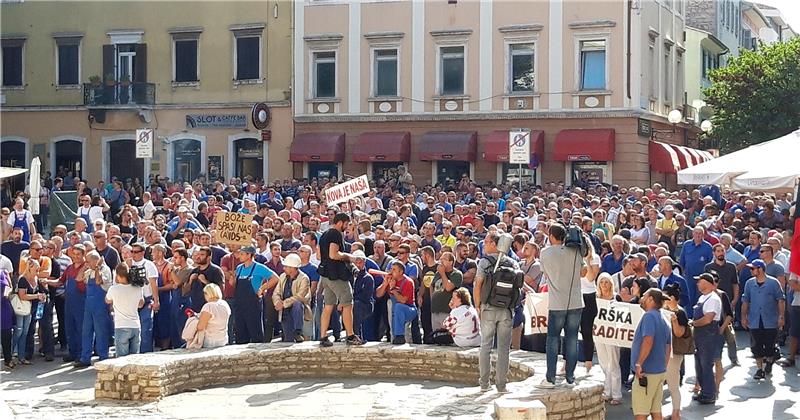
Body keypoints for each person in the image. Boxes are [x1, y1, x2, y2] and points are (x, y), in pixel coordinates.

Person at [538, 223, 584, 388]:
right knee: (572, 339)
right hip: (576, 301)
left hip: (557, 302)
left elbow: (545, 272)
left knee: (552, 339)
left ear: (551, 236)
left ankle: (550, 379)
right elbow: (582, 271)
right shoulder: (577, 252)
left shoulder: (545, 252)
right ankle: (570, 377)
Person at [475, 232, 520, 393]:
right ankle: (501, 385)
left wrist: (478, 305)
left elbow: (478, 285)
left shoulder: (484, 262)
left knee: (485, 346)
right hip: (506, 310)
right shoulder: (513, 263)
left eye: (486, 241)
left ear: (495, 243)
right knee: (503, 349)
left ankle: (484, 384)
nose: (484, 244)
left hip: (488, 308)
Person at [318, 212, 364, 346]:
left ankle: (323, 336)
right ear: (340, 222)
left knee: (328, 306)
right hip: (337, 275)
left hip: (326, 275)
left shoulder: (324, 234)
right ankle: (350, 335)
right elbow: (333, 254)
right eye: (346, 224)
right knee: (348, 304)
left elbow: (321, 255)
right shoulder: (335, 234)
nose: (347, 226)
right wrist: (350, 257)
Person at [630, 289, 671, 420]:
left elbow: (648, 340)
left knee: (641, 413)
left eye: (644, 296)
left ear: (651, 299)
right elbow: (668, 346)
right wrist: (664, 366)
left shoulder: (649, 316)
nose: (641, 298)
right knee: (656, 411)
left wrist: (639, 363)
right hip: (659, 372)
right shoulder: (663, 318)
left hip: (647, 373)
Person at [741, 259, 786, 380]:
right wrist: (743, 317)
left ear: (760, 269)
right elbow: (745, 301)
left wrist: (781, 316)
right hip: (755, 319)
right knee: (756, 345)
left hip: (770, 319)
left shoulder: (773, 283)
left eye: (753, 268)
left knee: (770, 345)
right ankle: (759, 369)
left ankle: (770, 361)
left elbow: (780, 300)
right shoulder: (749, 283)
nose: (751, 271)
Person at [233, 245, 278, 344]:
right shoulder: (239, 268)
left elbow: (275, 278)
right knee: (240, 331)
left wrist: (262, 288)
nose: (239, 256)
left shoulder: (259, 267)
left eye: (242, 254)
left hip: (253, 305)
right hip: (240, 305)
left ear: (249, 255)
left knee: (255, 330)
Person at [76, 251, 113, 367]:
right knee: (86, 331)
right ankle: (85, 358)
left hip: (100, 306)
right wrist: (84, 267)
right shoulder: (89, 271)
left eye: (88, 261)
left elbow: (98, 281)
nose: (86, 263)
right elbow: (78, 279)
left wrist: (97, 268)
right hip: (89, 306)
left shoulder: (105, 270)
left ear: (95, 261)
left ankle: (103, 357)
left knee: (101, 331)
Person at [691, 273, 723, 404]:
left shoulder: (713, 299)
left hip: (708, 334)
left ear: (708, 283)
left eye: (700, 281)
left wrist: (693, 323)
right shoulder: (703, 298)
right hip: (700, 335)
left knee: (706, 364)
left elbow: (708, 318)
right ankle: (704, 391)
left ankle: (709, 394)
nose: (698, 283)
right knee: (699, 364)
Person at [663, 283, 690, 420]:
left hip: (675, 353)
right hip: (664, 351)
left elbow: (680, 333)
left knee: (673, 384)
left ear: (671, 298)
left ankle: (676, 413)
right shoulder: (664, 310)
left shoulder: (680, 313)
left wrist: (674, 322)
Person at [105, 263, 145, 357]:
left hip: (121, 326)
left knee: (122, 359)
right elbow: (141, 304)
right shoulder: (138, 288)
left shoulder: (113, 289)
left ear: (118, 275)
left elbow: (107, 300)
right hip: (135, 325)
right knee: (135, 357)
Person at [594, 273, 622, 405]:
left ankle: (616, 394)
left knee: (614, 363)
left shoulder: (616, 298)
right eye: (602, 282)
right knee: (604, 363)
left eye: (606, 282)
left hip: (613, 335)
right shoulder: (595, 298)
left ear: (611, 283)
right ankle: (607, 391)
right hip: (599, 334)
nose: (604, 285)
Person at [272, 253, 311, 343]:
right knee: (287, 339)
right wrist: (277, 302)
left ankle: (298, 331)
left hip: (297, 311)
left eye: (286, 266)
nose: (284, 268)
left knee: (297, 304)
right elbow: (276, 292)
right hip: (285, 311)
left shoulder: (304, 278)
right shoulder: (282, 276)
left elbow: (300, 296)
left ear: (292, 268)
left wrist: (284, 304)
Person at [375, 260, 417, 345]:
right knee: (393, 324)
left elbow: (403, 300)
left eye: (394, 269)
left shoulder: (408, 282)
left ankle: (399, 336)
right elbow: (378, 294)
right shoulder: (390, 280)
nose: (391, 271)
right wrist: (385, 283)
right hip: (395, 310)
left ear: (401, 272)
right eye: (391, 269)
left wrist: (393, 289)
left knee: (398, 307)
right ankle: (396, 338)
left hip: (409, 309)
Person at [13, 260, 45, 365]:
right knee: (19, 331)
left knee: (25, 333)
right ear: (30, 268)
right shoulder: (23, 279)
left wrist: (42, 295)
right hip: (21, 308)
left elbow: (39, 291)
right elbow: (22, 296)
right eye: (36, 268)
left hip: (30, 309)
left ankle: (22, 357)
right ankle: (11, 353)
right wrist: (36, 296)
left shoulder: (36, 279)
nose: (37, 271)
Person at [197, 283, 231, 348]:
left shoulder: (208, 306)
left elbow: (200, 327)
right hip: (223, 339)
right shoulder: (225, 304)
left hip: (210, 340)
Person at [350, 250, 374, 340]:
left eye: (360, 262)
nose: (357, 265)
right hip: (350, 302)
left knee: (356, 305)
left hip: (365, 305)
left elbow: (365, 296)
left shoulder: (367, 278)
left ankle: (357, 335)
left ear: (364, 262)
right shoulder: (349, 276)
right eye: (356, 263)